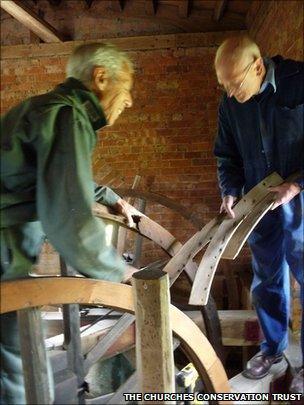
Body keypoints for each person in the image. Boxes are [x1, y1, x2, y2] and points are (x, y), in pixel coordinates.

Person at [0, 42, 138, 404]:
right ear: (101, 77)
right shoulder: (68, 116)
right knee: (19, 368)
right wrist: (118, 273)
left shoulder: (39, 108)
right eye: (126, 89)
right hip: (3, 249)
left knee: (16, 362)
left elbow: (58, 175)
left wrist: (112, 198)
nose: (129, 101)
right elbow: (69, 216)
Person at [213, 35, 303, 393]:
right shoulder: (230, 103)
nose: (232, 94)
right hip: (260, 200)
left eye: (236, 84)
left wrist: (298, 185)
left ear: (258, 67)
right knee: (267, 278)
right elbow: (226, 154)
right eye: (224, 87)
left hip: (299, 195)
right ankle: (273, 351)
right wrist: (230, 189)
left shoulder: (298, 81)